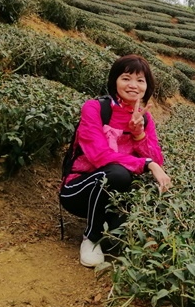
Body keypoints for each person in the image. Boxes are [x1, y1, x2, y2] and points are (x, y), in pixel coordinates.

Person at [59, 54, 172, 267]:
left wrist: (138, 134)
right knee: (117, 173)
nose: (133, 85)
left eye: (140, 80)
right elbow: (99, 156)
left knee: (116, 242)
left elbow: (156, 158)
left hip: (115, 192)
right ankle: (90, 238)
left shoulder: (145, 118)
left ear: (147, 86)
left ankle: (107, 232)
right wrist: (147, 164)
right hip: (79, 189)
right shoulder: (95, 108)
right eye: (126, 78)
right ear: (114, 81)